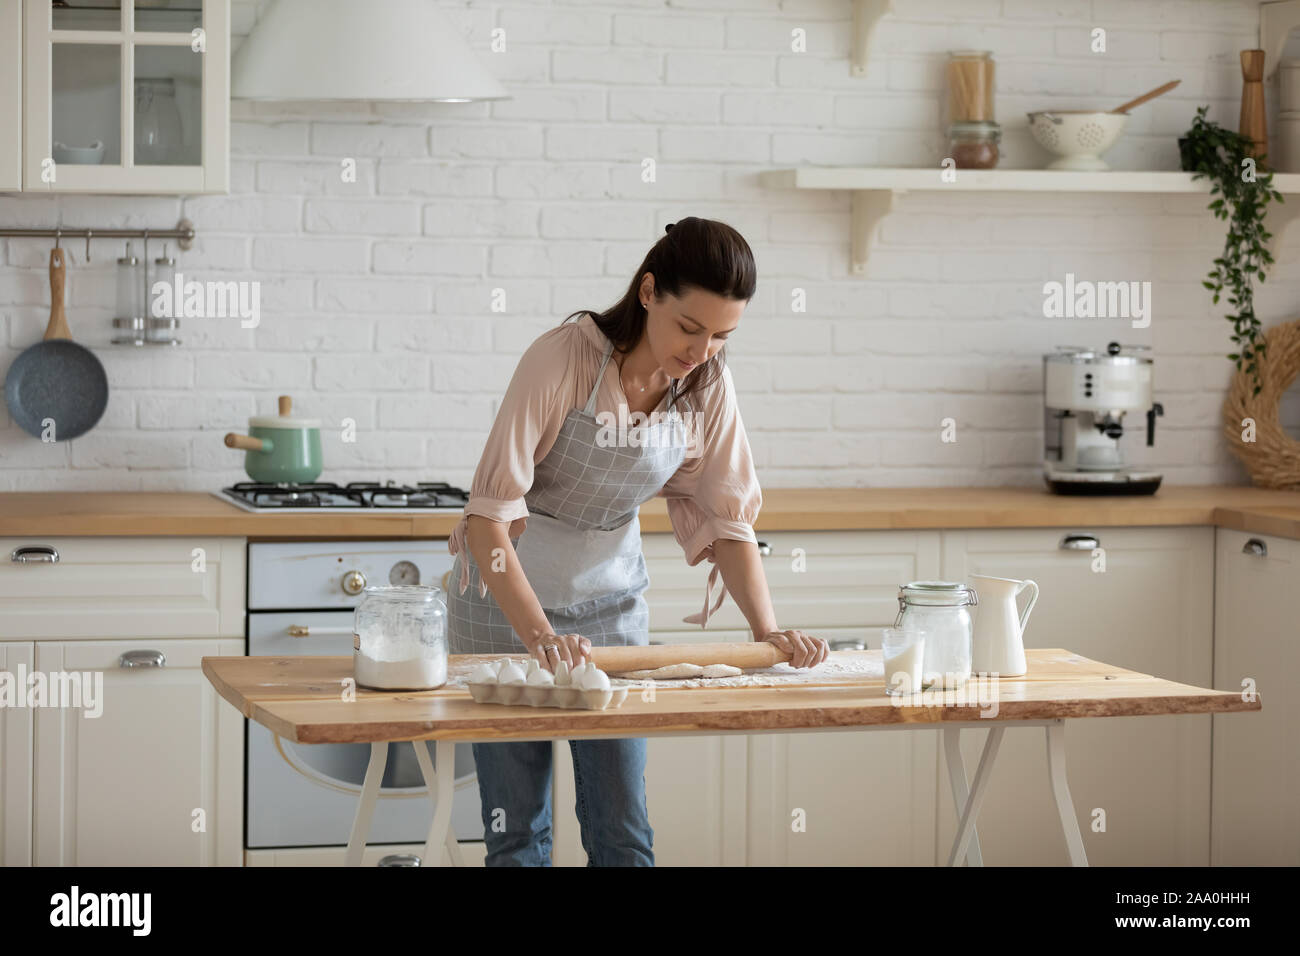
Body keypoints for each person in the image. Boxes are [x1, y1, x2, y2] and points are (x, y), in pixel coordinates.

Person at [445, 216, 829, 866]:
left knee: (622, 831)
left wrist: (769, 633)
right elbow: (487, 520)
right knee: (517, 839)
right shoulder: (563, 358)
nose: (702, 349)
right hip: (507, 614)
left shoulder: (706, 382)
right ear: (649, 291)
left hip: (610, 614)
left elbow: (728, 519)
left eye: (721, 335)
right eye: (690, 327)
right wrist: (540, 638)